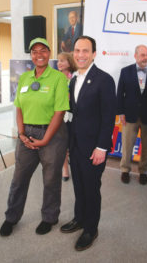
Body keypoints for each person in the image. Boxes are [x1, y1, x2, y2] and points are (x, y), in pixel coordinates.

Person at [0, 37, 69, 236]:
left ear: (49, 53)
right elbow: (19, 107)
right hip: (27, 134)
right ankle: (11, 217)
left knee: (50, 180)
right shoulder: (24, 78)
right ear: (31, 55)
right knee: (19, 179)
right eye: (35, 51)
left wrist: (46, 139)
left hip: (52, 135)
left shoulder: (58, 78)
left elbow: (60, 112)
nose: (39, 55)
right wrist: (21, 133)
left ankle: (49, 217)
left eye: (43, 50)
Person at [60, 36, 116, 251]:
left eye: (85, 51)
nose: (80, 55)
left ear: (94, 54)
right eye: (77, 50)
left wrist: (102, 147)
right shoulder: (74, 79)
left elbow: (108, 117)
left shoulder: (104, 79)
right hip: (75, 145)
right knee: (79, 185)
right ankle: (80, 218)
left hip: (94, 148)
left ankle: (91, 229)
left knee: (92, 188)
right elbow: (73, 113)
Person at [117, 45, 147, 185]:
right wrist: (120, 112)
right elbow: (120, 94)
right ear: (135, 56)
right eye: (142, 55)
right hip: (129, 115)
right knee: (127, 145)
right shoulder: (125, 71)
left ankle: (143, 171)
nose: (146, 57)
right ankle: (125, 170)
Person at [57, 52, 77, 181]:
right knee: (62, 144)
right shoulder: (55, 78)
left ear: (69, 63)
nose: (59, 63)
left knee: (72, 143)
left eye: (62, 61)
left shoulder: (75, 78)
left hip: (73, 115)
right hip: (59, 115)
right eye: (58, 61)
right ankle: (65, 169)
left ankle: (74, 165)